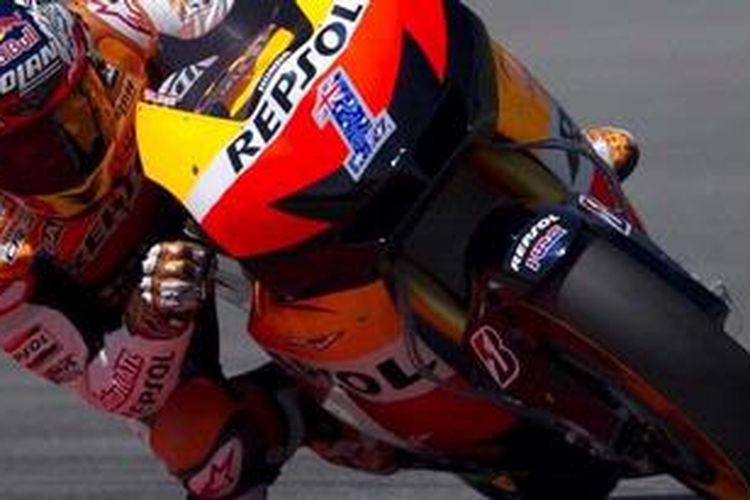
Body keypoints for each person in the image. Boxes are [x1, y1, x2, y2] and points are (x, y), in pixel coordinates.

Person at [0, 0, 641, 498]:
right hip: (143, 279)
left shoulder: (113, 16)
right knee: (207, 451)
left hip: (205, 151)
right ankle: (308, 413)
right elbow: (108, 389)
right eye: (15, 156)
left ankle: (528, 154)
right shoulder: (8, 260)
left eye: (67, 117)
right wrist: (154, 321)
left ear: (85, 61)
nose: (52, 156)